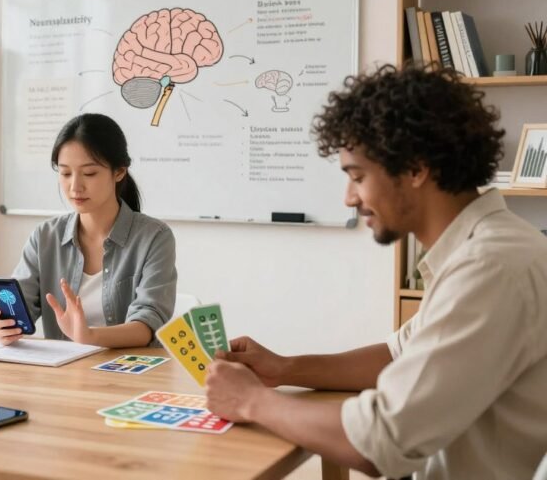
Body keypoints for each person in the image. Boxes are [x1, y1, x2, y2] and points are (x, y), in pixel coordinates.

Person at [203, 64, 547, 479]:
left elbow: (381, 443)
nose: (349, 198)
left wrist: (250, 402)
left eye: (358, 176)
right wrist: (285, 368)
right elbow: (398, 355)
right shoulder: (485, 248)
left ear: (416, 168)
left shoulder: (491, 267)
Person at [0, 113, 177, 348]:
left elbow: (148, 324)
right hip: (63, 373)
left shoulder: (154, 237)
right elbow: (17, 304)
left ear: (119, 172)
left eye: (89, 173)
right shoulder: (45, 236)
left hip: (127, 373)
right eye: (65, 173)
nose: (75, 186)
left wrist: (89, 337)